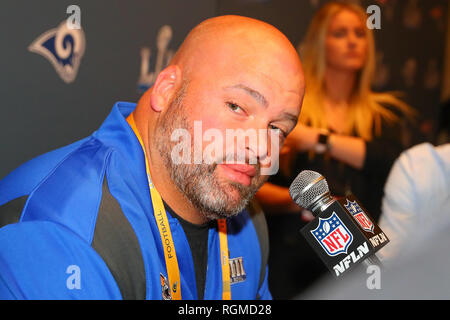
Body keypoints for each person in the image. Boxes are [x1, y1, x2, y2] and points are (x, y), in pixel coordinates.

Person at [0, 15, 305, 299]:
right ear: (167, 89)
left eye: (278, 128)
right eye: (236, 107)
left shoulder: (247, 221)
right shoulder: (63, 228)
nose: (260, 148)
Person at [255, 1, 414, 299]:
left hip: (364, 264)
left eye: (359, 33)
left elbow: (389, 162)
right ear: (319, 43)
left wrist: (316, 139)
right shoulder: (292, 111)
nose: (353, 40)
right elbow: (254, 186)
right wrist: (303, 204)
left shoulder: (385, 116)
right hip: (293, 261)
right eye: (340, 33)